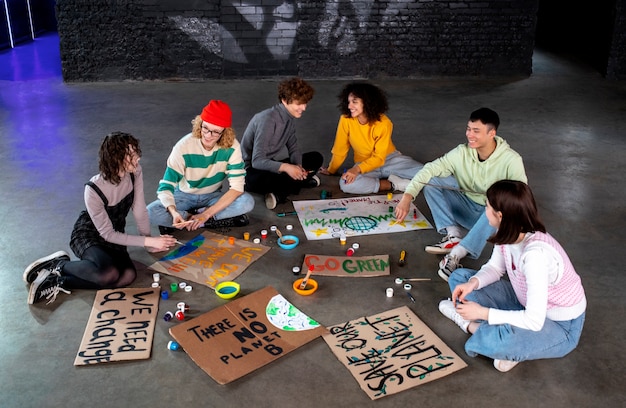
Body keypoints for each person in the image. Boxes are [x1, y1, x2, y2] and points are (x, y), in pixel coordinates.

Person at [438, 180, 586, 372]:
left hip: (559, 325)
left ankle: (469, 325)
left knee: (504, 340)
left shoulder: (535, 256)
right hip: (523, 302)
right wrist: (473, 284)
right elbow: (495, 268)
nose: (485, 212)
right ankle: (508, 338)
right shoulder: (509, 231)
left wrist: (482, 313)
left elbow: (534, 320)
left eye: (487, 207)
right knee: (460, 279)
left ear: (499, 215)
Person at [24, 132, 177, 305]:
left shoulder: (135, 173)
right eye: (132, 155)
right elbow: (107, 234)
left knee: (128, 276)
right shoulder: (93, 189)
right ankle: (57, 266)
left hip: (115, 235)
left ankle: (59, 281)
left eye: (137, 153)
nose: (138, 158)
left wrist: (149, 240)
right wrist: (148, 242)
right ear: (116, 159)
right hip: (89, 234)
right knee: (108, 274)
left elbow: (139, 209)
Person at [395, 107, 527, 281]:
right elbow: (430, 169)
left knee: (498, 205)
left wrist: (497, 201)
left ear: (491, 133)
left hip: (493, 219)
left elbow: (521, 198)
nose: (469, 135)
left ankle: (456, 254)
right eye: (468, 129)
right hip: (466, 209)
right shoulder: (462, 152)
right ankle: (453, 235)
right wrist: (407, 196)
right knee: (432, 182)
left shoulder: (512, 160)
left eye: (476, 131)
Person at [148, 100, 254, 231]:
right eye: (205, 128)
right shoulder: (183, 146)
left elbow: (237, 188)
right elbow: (166, 186)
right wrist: (174, 212)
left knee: (247, 202)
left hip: (212, 195)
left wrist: (205, 214)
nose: (208, 136)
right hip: (183, 195)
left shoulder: (232, 147)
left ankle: (192, 222)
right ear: (200, 124)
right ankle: (199, 220)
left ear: (225, 132)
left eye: (215, 132)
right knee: (150, 212)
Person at [319, 82, 423, 194]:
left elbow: (379, 158)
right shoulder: (345, 119)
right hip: (364, 164)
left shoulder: (384, 123)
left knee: (430, 175)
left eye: (354, 102)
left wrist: (356, 170)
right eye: (348, 102)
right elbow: (340, 149)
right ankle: (393, 184)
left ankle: (389, 177)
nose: (349, 106)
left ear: (367, 103)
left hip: (389, 160)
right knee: (346, 184)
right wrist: (331, 170)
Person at [241, 77, 323, 210]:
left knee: (316, 157)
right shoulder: (267, 119)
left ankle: (295, 182)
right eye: (299, 104)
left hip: (269, 165)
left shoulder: (289, 119)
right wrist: (287, 168)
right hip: (251, 172)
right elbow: (257, 161)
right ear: (285, 100)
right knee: (279, 177)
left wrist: (298, 167)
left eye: (305, 103)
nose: (304, 108)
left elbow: (294, 148)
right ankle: (283, 192)